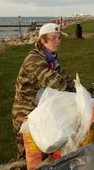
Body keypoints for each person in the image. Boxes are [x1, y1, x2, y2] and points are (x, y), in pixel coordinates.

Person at [12, 23, 76, 161]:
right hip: (24, 111)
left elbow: (63, 76)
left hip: (40, 108)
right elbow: (54, 81)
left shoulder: (51, 56)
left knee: (45, 150)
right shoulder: (34, 59)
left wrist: (77, 90)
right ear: (42, 40)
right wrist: (72, 95)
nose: (57, 41)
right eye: (53, 38)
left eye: (59, 38)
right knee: (28, 155)